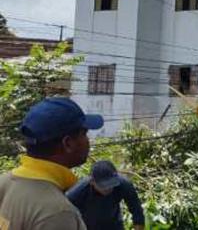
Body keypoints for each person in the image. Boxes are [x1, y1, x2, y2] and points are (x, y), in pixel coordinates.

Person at [0, 97, 104, 230]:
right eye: (84, 133)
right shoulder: (58, 213)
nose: (88, 140)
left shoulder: (4, 182)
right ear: (68, 144)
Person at [66, 160, 145, 230]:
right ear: (92, 182)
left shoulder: (124, 185)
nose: (108, 189)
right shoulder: (77, 193)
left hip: (114, 225)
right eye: (103, 186)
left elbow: (137, 211)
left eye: (111, 184)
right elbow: (66, 218)